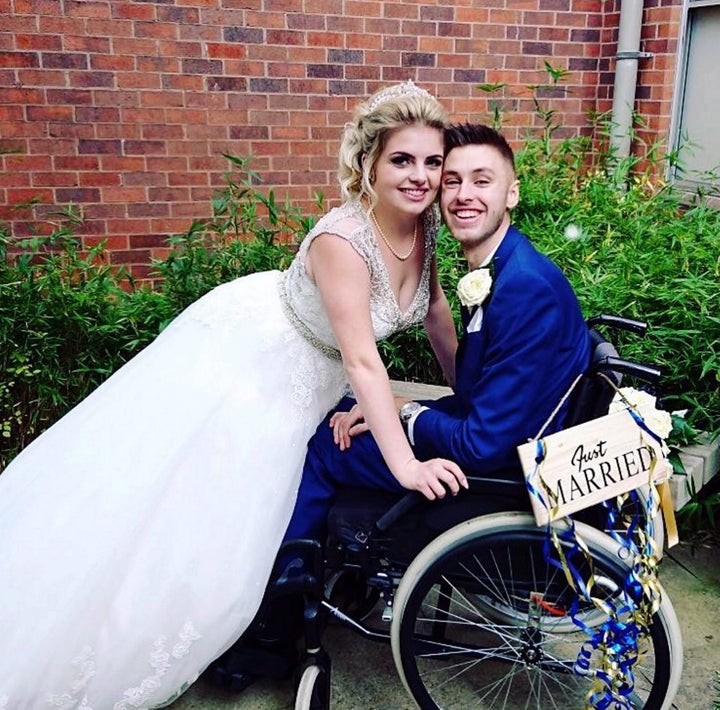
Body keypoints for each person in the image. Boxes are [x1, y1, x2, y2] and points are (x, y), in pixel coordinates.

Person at [0, 81, 466, 709]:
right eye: (401, 160)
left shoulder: (425, 228)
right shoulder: (342, 241)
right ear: (368, 164)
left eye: (432, 162)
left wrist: (471, 397)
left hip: (319, 373)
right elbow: (362, 359)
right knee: (201, 494)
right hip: (259, 359)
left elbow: (436, 314)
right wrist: (404, 463)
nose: (419, 177)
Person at [283, 122, 592, 545]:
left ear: (512, 193)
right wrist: (395, 408)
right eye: (452, 181)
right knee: (356, 414)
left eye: (482, 181)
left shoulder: (525, 288)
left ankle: (292, 585)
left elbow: (480, 444)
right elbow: (476, 390)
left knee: (326, 444)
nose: (465, 195)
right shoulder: (504, 267)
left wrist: (403, 411)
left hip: (499, 469)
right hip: (503, 431)